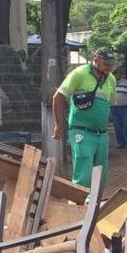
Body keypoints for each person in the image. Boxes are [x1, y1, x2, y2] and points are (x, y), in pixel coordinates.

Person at [53, 47, 117, 192]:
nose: (109, 67)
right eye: (106, 64)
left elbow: (110, 103)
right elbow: (58, 97)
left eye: (111, 64)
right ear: (95, 60)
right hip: (82, 132)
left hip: (102, 134)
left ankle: (95, 207)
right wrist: (59, 125)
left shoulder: (111, 79)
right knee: (84, 174)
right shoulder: (79, 74)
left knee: (101, 174)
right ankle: (77, 207)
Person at [111, 68, 127, 149]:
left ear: (121, 74)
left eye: (119, 73)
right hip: (114, 109)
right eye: (115, 73)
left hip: (125, 108)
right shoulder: (111, 83)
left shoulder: (126, 83)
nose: (117, 75)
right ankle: (120, 143)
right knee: (117, 127)